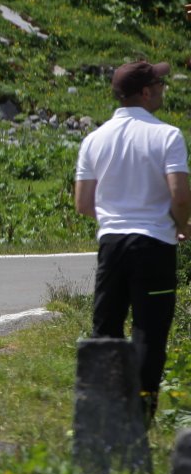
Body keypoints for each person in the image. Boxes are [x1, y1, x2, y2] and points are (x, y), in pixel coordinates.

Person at [74, 60, 191, 424]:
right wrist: (182, 224)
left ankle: (101, 413)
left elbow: (83, 204)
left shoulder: (94, 139)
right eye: (159, 84)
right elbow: (179, 194)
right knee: (149, 332)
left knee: (106, 328)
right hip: (154, 244)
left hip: (112, 244)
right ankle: (139, 416)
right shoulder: (167, 136)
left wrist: (116, 215)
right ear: (145, 92)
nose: (162, 89)